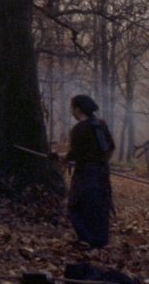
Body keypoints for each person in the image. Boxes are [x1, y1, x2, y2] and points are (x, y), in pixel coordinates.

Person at [59, 94, 115, 249]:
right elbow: (110, 149)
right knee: (99, 206)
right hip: (102, 173)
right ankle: (99, 242)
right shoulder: (101, 124)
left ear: (78, 109)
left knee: (76, 206)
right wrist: (101, 164)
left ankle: (89, 242)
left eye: (72, 109)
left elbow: (73, 156)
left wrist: (58, 157)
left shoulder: (79, 129)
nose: (72, 112)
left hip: (85, 174)